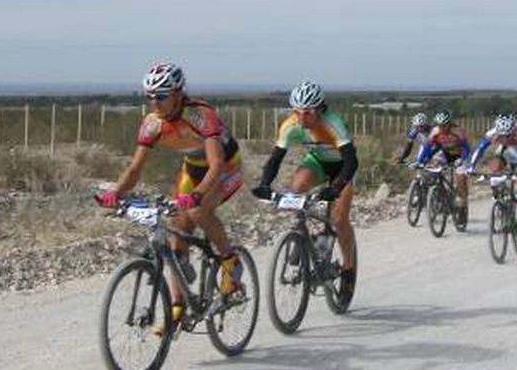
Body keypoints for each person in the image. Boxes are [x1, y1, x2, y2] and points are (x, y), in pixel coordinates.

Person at [98, 62, 244, 332]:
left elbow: (216, 164)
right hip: (192, 168)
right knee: (177, 232)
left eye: (161, 95)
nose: (155, 102)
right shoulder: (152, 123)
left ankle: (229, 261)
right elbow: (134, 168)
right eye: (149, 96)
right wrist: (116, 193)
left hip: (224, 167)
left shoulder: (201, 115)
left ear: (178, 93)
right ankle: (177, 308)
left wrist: (198, 195)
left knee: (198, 211)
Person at [252, 81, 358, 303]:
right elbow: (275, 159)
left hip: (342, 168)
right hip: (318, 162)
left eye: (308, 113)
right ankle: (302, 235)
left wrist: (336, 187)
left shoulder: (333, 123)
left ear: (320, 109)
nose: (302, 118)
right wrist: (265, 183)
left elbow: (351, 161)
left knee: (339, 220)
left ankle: (348, 270)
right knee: (295, 190)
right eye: (297, 112)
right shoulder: (290, 125)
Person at [468, 114, 517, 247]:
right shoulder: (492, 134)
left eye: (508, 135)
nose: (504, 138)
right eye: (502, 136)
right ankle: (499, 201)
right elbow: (480, 149)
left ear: (513, 131)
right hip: (505, 152)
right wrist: (471, 167)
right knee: (495, 170)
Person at [419, 110, 471, 222]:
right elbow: (427, 147)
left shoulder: (457, 131)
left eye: (445, 125)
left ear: (449, 123)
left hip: (460, 154)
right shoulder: (435, 131)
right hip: (445, 154)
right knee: (432, 168)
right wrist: (422, 160)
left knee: (460, 178)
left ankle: (462, 206)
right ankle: (439, 195)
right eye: (440, 125)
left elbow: (466, 148)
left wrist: (462, 159)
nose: (442, 128)